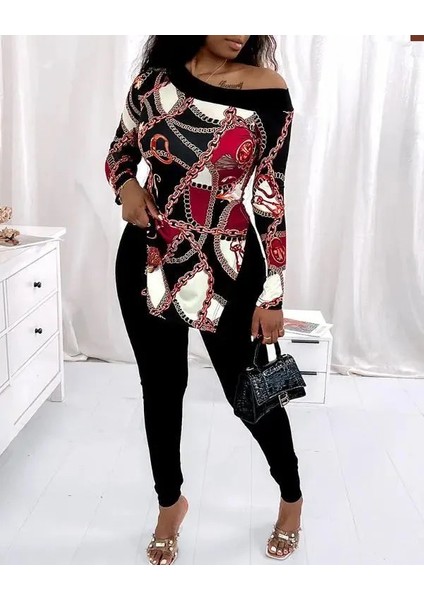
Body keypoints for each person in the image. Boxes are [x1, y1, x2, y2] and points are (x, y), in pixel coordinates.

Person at [106, 35, 303, 565]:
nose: (240, 30)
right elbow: (120, 151)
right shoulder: (152, 83)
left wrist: (273, 293)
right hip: (147, 257)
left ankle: (291, 495)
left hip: (231, 263)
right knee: (161, 389)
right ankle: (169, 504)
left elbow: (271, 195)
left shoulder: (269, 91)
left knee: (250, 392)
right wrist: (126, 188)